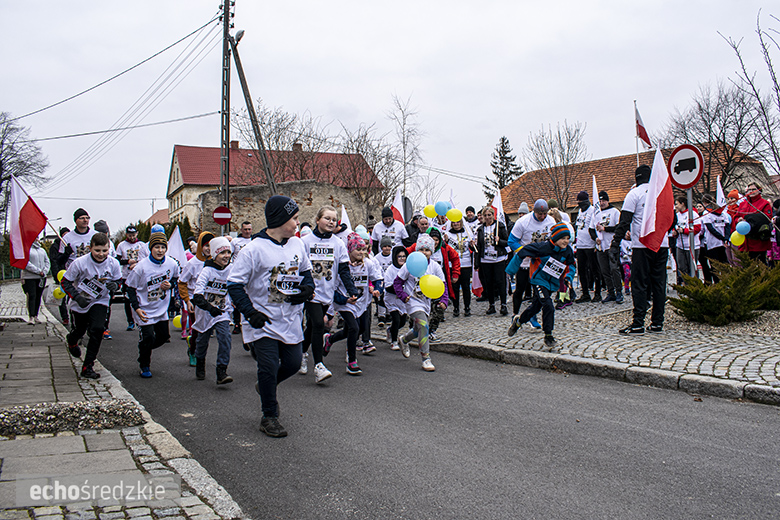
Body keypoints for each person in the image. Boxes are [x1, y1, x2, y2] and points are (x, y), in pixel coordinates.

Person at [227, 195, 315, 438]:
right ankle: (269, 415)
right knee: (267, 366)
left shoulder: (297, 244)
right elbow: (234, 285)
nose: (297, 224)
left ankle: (266, 386)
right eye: (294, 218)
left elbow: (306, 273)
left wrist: (307, 290)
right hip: (262, 321)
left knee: (293, 364)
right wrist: (250, 313)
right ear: (280, 219)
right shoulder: (253, 250)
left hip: (290, 319)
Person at [610, 164, 672, 335]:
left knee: (639, 284)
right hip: (661, 244)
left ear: (636, 178)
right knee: (659, 284)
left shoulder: (634, 194)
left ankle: (638, 323)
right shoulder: (661, 193)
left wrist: (615, 243)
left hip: (642, 245)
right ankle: (657, 323)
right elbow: (670, 219)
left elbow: (624, 222)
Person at [301, 205, 360, 383]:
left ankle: (302, 353)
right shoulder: (305, 242)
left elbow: (343, 270)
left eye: (334, 219)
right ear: (318, 220)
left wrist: (352, 290)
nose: (331, 222)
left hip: (328, 292)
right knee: (319, 324)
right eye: (327, 218)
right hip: (311, 293)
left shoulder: (338, 243)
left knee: (312, 327)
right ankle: (319, 365)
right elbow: (300, 269)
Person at [60, 232, 121, 379]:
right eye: (97, 250)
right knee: (80, 330)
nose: (101, 254)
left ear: (109, 249)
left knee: (97, 329)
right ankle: (72, 340)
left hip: (100, 300)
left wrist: (115, 285)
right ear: (90, 248)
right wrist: (77, 297)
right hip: (81, 301)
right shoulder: (80, 263)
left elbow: (119, 281)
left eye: (104, 251)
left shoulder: (113, 263)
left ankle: (88, 366)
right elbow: (65, 282)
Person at [506, 222, 576, 348]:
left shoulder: (568, 251)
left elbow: (571, 265)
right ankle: (548, 335)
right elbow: (523, 252)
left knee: (536, 307)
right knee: (548, 305)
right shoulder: (543, 247)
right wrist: (510, 271)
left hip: (552, 283)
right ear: (555, 238)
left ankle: (518, 321)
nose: (566, 241)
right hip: (538, 280)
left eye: (567, 238)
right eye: (562, 238)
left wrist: (568, 277)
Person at [324, 232, 382, 375]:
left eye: (363, 249)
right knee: (354, 328)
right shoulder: (343, 267)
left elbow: (378, 279)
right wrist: (344, 300)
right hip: (345, 303)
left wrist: (377, 290)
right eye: (358, 249)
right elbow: (332, 288)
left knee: (357, 329)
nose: (361, 252)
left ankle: (330, 339)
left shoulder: (368, 264)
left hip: (361, 303)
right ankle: (352, 362)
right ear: (350, 250)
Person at [125, 232, 180, 378]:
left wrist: (171, 284)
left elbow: (175, 279)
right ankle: (144, 365)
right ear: (151, 248)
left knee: (163, 337)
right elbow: (130, 288)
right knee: (148, 336)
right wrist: (136, 308)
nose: (160, 250)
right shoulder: (141, 267)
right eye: (157, 247)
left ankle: (144, 347)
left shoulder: (172, 263)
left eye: (163, 247)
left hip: (161, 309)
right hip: (144, 309)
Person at [393, 233, 448, 371]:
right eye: (421, 249)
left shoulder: (434, 266)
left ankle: (404, 339)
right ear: (416, 250)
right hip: (412, 302)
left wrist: (444, 300)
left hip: (426, 302)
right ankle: (426, 358)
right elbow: (397, 283)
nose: (424, 253)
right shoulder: (409, 264)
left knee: (419, 329)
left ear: (432, 251)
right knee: (423, 325)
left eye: (427, 250)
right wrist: (403, 296)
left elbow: (443, 284)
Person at [191, 236, 234, 384]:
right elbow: (197, 296)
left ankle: (221, 371)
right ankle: (200, 362)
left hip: (222, 312)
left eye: (228, 252)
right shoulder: (207, 271)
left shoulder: (231, 269)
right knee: (202, 342)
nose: (226, 256)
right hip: (205, 312)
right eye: (223, 253)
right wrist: (210, 308)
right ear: (215, 255)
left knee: (225, 338)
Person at [406, 227, 459, 342]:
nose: (435, 242)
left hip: (435, 286)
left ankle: (431, 331)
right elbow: (405, 253)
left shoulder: (444, 248)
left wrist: (455, 273)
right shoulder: (418, 248)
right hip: (418, 288)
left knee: (438, 309)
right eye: (432, 239)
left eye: (437, 240)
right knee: (419, 313)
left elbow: (455, 257)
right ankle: (412, 330)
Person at [508, 199, 555, 317]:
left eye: (545, 214)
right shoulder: (523, 222)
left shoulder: (551, 221)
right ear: (534, 211)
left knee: (538, 292)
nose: (543, 216)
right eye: (540, 214)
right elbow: (512, 241)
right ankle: (515, 313)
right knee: (520, 289)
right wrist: (524, 252)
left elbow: (554, 240)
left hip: (541, 262)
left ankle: (532, 316)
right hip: (525, 262)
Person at [178, 232, 214, 366]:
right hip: (194, 300)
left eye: (211, 246)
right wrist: (187, 300)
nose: (208, 249)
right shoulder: (192, 264)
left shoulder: (215, 262)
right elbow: (182, 282)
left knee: (207, 330)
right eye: (206, 246)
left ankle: (198, 349)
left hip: (210, 299)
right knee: (198, 329)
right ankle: (193, 352)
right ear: (200, 246)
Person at [475, 206, 508, 315]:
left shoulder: (500, 226)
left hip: (498, 258)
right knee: (488, 283)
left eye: (489, 215)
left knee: (500, 281)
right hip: (485, 260)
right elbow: (478, 247)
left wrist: (500, 241)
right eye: (485, 215)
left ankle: (503, 305)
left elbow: (508, 242)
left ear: (493, 215)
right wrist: (473, 246)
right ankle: (491, 305)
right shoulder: (480, 229)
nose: (487, 217)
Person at [591, 191, 624, 303]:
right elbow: (591, 229)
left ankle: (619, 291)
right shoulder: (596, 213)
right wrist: (595, 238)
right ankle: (611, 292)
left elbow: (619, 227)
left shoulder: (614, 212)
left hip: (611, 245)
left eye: (603, 200)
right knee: (604, 271)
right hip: (601, 246)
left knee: (614, 269)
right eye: (600, 201)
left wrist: (605, 229)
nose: (602, 203)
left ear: (608, 201)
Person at [116, 226, 150, 331]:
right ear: (126, 234)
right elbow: (117, 261)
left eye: (134, 235)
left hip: (140, 276)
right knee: (127, 299)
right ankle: (130, 321)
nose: (132, 237)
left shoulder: (142, 245)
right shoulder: (121, 245)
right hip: (127, 276)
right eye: (130, 235)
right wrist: (127, 261)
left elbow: (147, 260)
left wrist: (138, 264)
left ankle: (142, 318)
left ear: (137, 233)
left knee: (141, 297)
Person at [732, 182, 773, 263]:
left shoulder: (764, 203)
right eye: (749, 190)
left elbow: (767, 217)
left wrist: (749, 219)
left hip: (758, 241)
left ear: (759, 190)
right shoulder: (743, 204)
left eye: (753, 189)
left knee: (760, 265)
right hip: (744, 242)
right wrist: (738, 220)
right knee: (746, 266)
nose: (751, 191)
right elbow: (736, 217)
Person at [573, 191, 601, 302]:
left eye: (582, 202)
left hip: (590, 245)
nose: (580, 204)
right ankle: (585, 293)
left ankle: (597, 293)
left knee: (594, 269)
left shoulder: (593, 210)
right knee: (581, 270)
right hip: (580, 245)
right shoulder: (580, 211)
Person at [444, 218, 474, 317]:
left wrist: (473, 245)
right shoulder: (447, 234)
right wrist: (446, 241)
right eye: (454, 222)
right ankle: (456, 307)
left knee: (465, 287)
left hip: (465, 263)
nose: (456, 224)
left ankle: (467, 307)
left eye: (458, 222)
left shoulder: (467, 233)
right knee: (455, 287)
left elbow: (473, 248)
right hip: (452, 264)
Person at [699, 194, 730, 283]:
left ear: (704, 203)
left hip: (712, 243)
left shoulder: (706, 213)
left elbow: (710, 228)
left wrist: (724, 238)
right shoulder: (723, 213)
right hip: (721, 242)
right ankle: (720, 283)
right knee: (722, 264)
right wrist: (725, 238)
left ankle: (719, 282)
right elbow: (727, 227)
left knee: (716, 265)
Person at [230, 221, 253, 334]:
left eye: (249, 229)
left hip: (250, 274)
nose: (247, 232)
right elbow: (229, 255)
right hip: (238, 272)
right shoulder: (235, 242)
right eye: (245, 229)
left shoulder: (254, 241)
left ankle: (249, 321)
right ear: (241, 230)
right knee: (237, 299)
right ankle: (237, 323)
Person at [383, 246, 408, 350]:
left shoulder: (408, 268)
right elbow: (388, 286)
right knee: (396, 319)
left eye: (404, 256)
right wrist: (398, 290)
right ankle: (394, 341)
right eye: (399, 256)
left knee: (402, 321)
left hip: (403, 300)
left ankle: (391, 330)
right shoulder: (390, 270)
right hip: (392, 299)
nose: (402, 259)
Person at [672, 196, 701, 281]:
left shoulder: (693, 214)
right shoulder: (677, 215)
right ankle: (685, 285)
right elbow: (674, 226)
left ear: (682, 203)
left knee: (692, 267)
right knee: (681, 267)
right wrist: (675, 232)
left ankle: (695, 285)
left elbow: (697, 228)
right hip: (680, 245)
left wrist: (684, 231)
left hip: (692, 245)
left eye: (677, 204)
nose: (676, 206)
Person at [21, 239, 50, 324]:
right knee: (32, 295)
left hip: (41, 277)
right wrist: (38, 271)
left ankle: (36, 315)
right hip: (30, 277)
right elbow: (26, 263)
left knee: (38, 296)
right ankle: (31, 316)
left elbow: (47, 261)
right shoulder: (27, 249)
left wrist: (45, 271)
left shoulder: (42, 250)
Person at [48, 226, 70, 325]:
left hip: (71, 272)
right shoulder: (55, 246)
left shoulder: (70, 245)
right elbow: (54, 261)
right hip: (60, 273)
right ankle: (65, 317)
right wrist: (56, 275)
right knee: (62, 297)